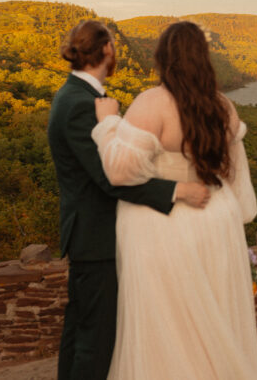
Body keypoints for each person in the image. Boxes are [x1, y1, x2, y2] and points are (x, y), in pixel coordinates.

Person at [91, 21, 257, 379]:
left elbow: (121, 171)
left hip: (163, 225)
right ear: (204, 58)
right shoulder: (224, 106)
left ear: (163, 58)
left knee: (167, 319)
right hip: (216, 219)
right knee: (213, 313)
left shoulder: (151, 103)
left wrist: (107, 124)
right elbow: (235, 176)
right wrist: (232, 215)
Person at [48, 20, 211, 380]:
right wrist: (177, 191)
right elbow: (110, 178)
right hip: (97, 237)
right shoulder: (81, 104)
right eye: (114, 47)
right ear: (107, 50)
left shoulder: (75, 96)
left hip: (92, 235)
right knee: (96, 339)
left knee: (80, 332)